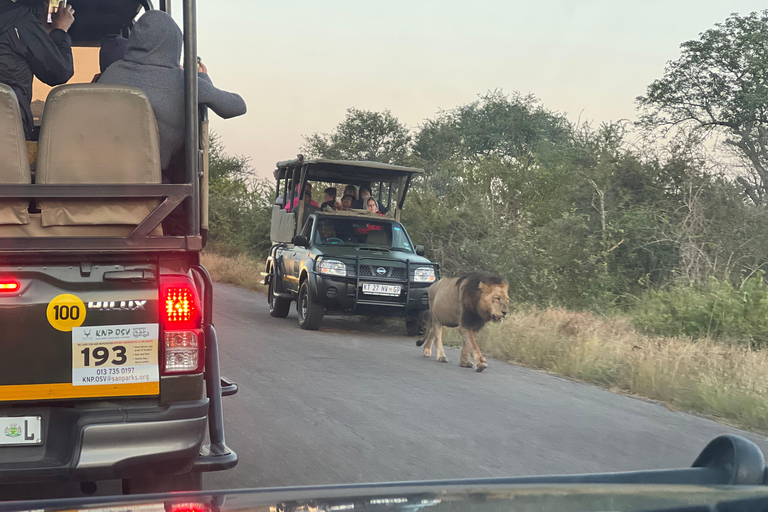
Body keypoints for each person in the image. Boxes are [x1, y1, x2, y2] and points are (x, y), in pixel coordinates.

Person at [99, 11, 246, 175]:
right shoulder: (183, 81)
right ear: (174, 43)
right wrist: (202, 78)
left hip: (105, 171)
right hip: (154, 176)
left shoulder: (111, 73)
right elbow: (237, 107)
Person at [0, 0, 75, 139]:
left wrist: (39, 33)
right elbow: (59, 72)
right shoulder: (18, 19)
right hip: (8, 128)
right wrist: (60, 31)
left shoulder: (20, 21)